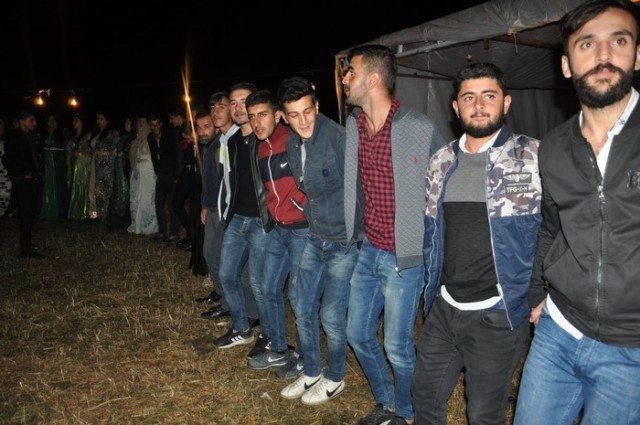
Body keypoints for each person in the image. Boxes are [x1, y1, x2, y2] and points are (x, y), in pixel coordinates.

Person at [514, 1, 640, 424]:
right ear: (566, 65)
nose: (603, 55)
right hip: (558, 329)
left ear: (638, 55)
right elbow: (552, 229)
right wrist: (537, 296)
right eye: (587, 44)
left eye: (618, 41)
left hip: (632, 351)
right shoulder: (552, 146)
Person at [410, 62, 542, 425]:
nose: (479, 105)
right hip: (445, 306)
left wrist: (540, 293)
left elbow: (556, 231)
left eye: (489, 96)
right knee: (424, 395)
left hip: (497, 312)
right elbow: (432, 235)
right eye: (469, 97)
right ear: (456, 106)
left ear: (506, 102)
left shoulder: (533, 157)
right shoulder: (440, 161)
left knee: (484, 413)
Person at [341, 44, 445, 425]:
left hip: (404, 258)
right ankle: (387, 402)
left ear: (372, 79)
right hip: (369, 249)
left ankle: (408, 413)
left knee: (398, 347)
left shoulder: (418, 128)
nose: (344, 79)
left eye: (351, 72)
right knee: (357, 334)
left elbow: (446, 183)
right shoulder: (353, 126)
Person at [277, 76, 359, 405]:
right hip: (315, 237)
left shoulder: (339, 138)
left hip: (342, 241)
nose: (303, 121)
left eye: (307, 111)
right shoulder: (292, 145)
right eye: (294, 115)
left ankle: (335, 377)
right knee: (302, 305)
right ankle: (311, 371)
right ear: (285, 117)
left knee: (331, 315)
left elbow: (361, 191)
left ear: (317, 106)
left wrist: (358, 238)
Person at [243, 89, 309, 373]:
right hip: (277, 229)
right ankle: (280, 349)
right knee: (268, 288)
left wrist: (304, 209)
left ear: (278, 115)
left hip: (302, 230)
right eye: (252, 117)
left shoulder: (294, 141)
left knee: (299, 298)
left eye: (263, 115)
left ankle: (306, 359)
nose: (256, 122)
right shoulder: (259, 148)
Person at [212, 82, 268, 352]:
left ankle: (269, 336)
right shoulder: (232, 141)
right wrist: (227, 211)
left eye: (243, 101)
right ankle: (241, 327)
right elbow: (229, 180)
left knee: (258, 283)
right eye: (232, 102)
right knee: (227, 275)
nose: (237, 107)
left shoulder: (265, 139)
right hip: (237, 218)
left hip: (260, 221)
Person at [2, 109, 45, 258]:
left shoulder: (28, 137)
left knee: (30, 213)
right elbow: (7, 159)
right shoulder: (14, 138)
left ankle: (27, 242)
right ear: (22, 121)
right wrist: (21, 175)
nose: (35, 123)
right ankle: (25, 249)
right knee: (26, 214)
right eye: (31, 120)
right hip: (24, 181)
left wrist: (37, 173)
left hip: (32, 180)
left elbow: (32, 158)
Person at [147, 113, 181, 241]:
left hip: (172, 173)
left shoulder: (169, 134)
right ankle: (161, 231)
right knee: (158, 202)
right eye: (152, 125)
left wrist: (177, 174)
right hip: (161, 174)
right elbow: (153, 155)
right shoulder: (150, 137)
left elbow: (177, 153)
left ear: (160, 124)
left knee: (172, 203)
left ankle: (174, 232)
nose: (155, 127)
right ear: (150, 126)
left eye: (157, 124)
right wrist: (157, 171)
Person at [128, 117, 158, 235]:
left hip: (148, 172)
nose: (138, 128)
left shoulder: (151, 138)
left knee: (147, 198)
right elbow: (133, 157)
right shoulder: (137, 140)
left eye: (141, 125)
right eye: (137, 125)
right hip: (138, 172)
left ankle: (148, 226)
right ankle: (137, 225)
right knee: (136, 197)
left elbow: (155, 155)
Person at [89, 110, 119, 222]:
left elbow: (116, 148)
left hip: (107, 165)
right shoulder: (96, 133)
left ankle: (107, 215)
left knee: (107, 188)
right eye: (97, 119)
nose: (99, 121)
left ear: (107, 120)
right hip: (96, 163)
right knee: (97, 188)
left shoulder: (112, 133)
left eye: (101, 119)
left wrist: (107, 156)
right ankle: (96, 214)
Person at [67, 112, 94, 219]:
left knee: (83, 185)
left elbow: (92, 152)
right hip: (74, 164)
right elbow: (69, 151)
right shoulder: (72, 136)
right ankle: (74, 210)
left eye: (76, 120)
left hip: (84, 165)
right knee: (74, 186)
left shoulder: (88, 136)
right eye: (73, 120)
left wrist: (81, 154)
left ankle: (84, 210)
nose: (73, 123)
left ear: (82, 122)